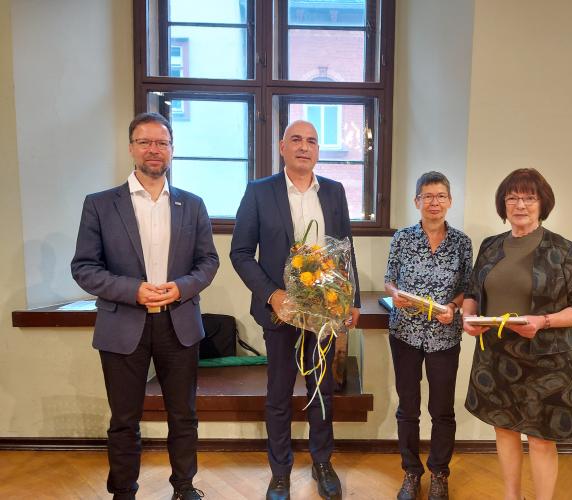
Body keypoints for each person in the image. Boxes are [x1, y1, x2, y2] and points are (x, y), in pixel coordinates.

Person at [71, 112, 219, 500]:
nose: (154, 150)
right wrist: (133, 290)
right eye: (145, 142)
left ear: (172, 150)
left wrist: (182, 287)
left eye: (162, 143)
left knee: (184, 417)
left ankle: (184, 487)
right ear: (131, 147)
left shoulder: (193, 204)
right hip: (123, 325)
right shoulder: (100, 205)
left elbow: (208, 262)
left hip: (179, 323)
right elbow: (84, 268)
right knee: (124, 420)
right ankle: (123, 491)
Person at [230, 120, 361, 500]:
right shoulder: (259, 192)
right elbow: (240, 253)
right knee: (279, 391)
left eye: (312, 141)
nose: (305, 147)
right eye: (297, 140)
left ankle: (322, 462)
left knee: (322, 389)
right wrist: (272, 294)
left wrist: (350, 301)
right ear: (282, 147)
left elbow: (345, 249)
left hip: (325, 312)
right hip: (280, 312)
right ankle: (280, 471)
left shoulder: (334, 192)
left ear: (318, 151)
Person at [462, 168, 572, 500]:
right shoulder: (491, 246)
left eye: (529, 197)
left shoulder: (563, 249)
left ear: (542, 203)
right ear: (503, 204)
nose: (520, 205)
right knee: (504, 430)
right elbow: (472, 292)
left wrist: (543, 321)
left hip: (546, 361)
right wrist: (469, 317)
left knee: (539, 438)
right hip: (495, 355)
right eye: (512, 197)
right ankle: (512, 496)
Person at [384, 171, 472, 500]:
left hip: (445, 336)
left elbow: (467, 288)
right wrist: (396, 294)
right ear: (416, 201)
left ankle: (439, 473)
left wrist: (452, 306)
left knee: (441, 409)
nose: (434, 202)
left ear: (449, 201)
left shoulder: (462, 242)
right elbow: (389, 280)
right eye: (427, 196)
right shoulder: (402, 238)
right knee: (408, 407)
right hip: (405, 332)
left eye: (440, 196)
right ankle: (411, 472)